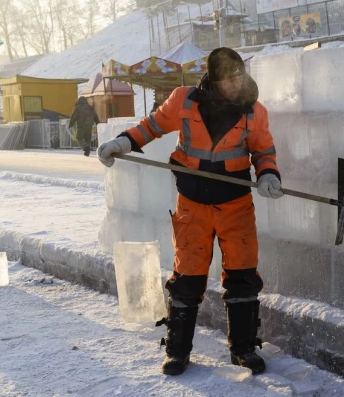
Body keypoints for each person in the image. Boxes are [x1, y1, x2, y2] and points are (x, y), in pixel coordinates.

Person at [97, 47, 283, 376]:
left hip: (235, 207)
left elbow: (263, 151)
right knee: (187, 280)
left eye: (239, 76)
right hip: (193, 207)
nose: (235, 84)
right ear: (213, 79)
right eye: (228, 79)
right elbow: (151, 126)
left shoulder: (254, 112)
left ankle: (242, 349)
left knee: (242, 278)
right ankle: (178, 351)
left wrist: (268, 175)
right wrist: (121, 143)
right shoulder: (184, 101)